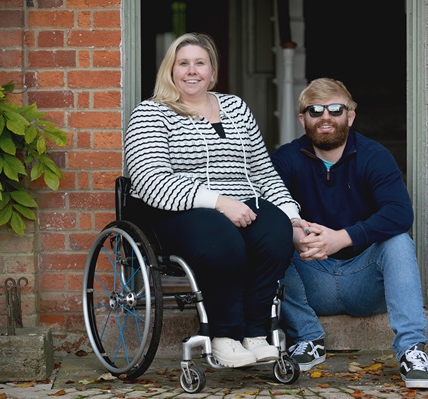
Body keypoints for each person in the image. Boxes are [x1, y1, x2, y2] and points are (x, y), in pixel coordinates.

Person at [123, 32, 301, 368]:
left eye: (200, 63)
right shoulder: (151, 113)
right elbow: (150, 180)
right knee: (223, 241)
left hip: (240, 202)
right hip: (175, 209)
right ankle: (224, 336)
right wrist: (219, 201)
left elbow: (262, 170)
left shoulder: (235, 107)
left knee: (276, 233)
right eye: (183, 63)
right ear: (170, 70)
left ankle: (254, 333)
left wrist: (291, 215)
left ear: (212, 71)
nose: (192, 71)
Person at [270, 77, 428, 389]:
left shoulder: (374, 156)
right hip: (310, 276)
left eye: (336, 109)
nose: (325, 117)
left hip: (364, 281)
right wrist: (293, 233)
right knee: (269, 239)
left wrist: (341, 238)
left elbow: (400, 212)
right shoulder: (285, 159)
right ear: (302, 118)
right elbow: (265, 208)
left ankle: (412, 350)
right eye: (315, 110)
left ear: (350, 115)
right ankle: (306, 337)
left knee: (398, 240)